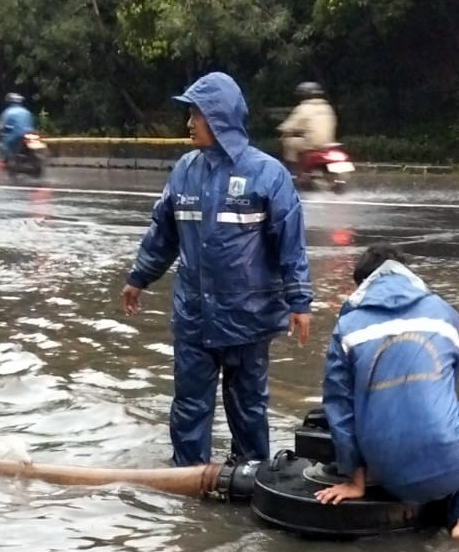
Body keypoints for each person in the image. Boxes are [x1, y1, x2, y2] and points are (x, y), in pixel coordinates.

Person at [120, 71, 314, 467]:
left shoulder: (267, 175)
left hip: (248, 317)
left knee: (248, 409)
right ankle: (189, 483)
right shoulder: (184, 171)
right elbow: (163, 233)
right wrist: (138, 277)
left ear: (220, 117)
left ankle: (250, 478)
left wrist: (300, 301)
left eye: (197, 114)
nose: (189, 123)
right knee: (189, 406)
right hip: (194, 315)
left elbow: (289, 243)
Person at [313, 243, 459, 539]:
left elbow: (340, 409)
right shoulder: (442, 313)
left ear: (362, 285)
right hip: (445, 452)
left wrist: (356, 483)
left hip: (386, 472)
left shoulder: (347, 326)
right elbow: (447, 388)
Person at [277, 81, 338, 174]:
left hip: (311, 143)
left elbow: (290, 126)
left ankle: (293, 171)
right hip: (328, 143)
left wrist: (282, 128)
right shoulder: (327, 107)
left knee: (289, 143)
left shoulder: (303, 108)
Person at [0, 93, 35, 166]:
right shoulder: (26, 111)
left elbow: (1, 126)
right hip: (30, 134)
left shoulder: (8, 112)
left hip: (15, 135)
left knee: (3, 145)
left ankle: (3, 162)